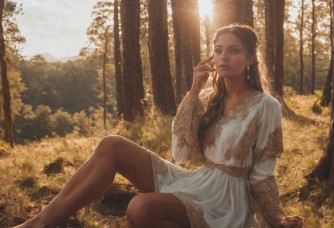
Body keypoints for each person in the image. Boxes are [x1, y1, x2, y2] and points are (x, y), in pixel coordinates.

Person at [15, 24, 302, 228]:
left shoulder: (266, 106)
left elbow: (263, 173)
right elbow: (181, 153)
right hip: (198, 180)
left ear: (250, 59)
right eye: (218, 50)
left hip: (227, 200)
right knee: (111, 144)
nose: (223, 57)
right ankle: (41, 222)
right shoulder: (207, 98)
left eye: (234, 51)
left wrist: (274, 219)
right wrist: (193, 92)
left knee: (140, 208)